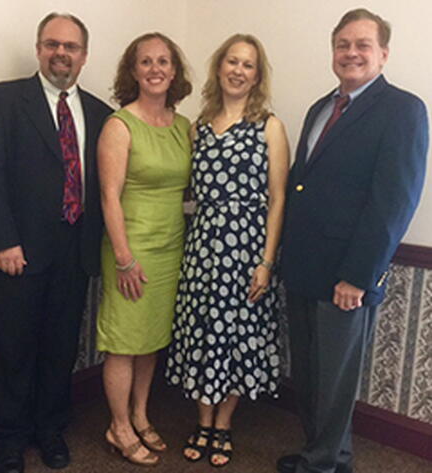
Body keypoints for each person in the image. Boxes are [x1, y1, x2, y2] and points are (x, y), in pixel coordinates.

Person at [278, 8, 429, 473]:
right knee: (308, 375)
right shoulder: (320, 107)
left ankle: (324, 464)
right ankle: (324, 453)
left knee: (336, 379)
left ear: (383, 54)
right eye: (343, 44)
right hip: (303, 267)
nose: (351, 53)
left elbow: (393, 203)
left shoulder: (403, 109)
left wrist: (357, 276)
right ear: (332, 52)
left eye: (363, 45)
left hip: (347, 275)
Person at [0, 12, 112, 473]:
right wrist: (3, 241)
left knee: (60, 346)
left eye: (70, 47)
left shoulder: (101, 113)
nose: (61, 53)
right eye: (52, 44)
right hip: (18, 254)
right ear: (38, 49)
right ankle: (8, 438)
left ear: (84, 56)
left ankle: (50, 429)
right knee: (13, 347)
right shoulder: (2, 100)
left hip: (76, 253)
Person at [165, 34, 290, 467]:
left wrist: (266, 262)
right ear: (219, 68)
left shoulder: (270, 126)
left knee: (240, 334)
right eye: (232, 61)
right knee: (202, 331)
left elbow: (278, 200)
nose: (238, 70)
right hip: (202, 245)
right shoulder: (196, 127)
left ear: (257, 75)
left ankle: (224, 423)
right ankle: (203, 420)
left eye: (248, 65)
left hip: (249, 247)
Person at [96, 32, 192, 466]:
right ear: (132, 71)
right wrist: (124, 258)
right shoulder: (120, 124)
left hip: (172, 246)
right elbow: (109, 197)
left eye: (164, 61)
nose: (156, 69)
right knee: (123, 341)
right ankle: (118, 426)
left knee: (151, 338)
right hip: (129, 247)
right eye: (146, 62)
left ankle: (139, 413)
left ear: (175, 71)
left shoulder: (184, 126)